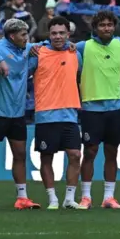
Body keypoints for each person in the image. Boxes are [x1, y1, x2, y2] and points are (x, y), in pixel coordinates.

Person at [75, 11, 120, 209]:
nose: (106, 28)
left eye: (109, 25)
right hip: (91, 107)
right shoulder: (83, 47)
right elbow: (61, 46)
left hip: (115, 107)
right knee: (89, 152)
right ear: (95, 28)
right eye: (102, 25)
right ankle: (86, 197)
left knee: (111, 153)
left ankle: (109, 197)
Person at [28, 16, 83, 210]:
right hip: (46, 113)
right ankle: (52, 198)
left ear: (68, 34)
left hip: (70, 113)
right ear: (48, 35)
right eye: (53, 33)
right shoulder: (38, 52)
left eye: (61, 33)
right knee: (47, 157)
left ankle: (69, 198)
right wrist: (37, 45)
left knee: (75, 154)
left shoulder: (76, 52)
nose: (57, 37)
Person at [0, 18, 40, 209]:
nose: (28, 38)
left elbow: (47, 44)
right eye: (24, 35)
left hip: (18, 112)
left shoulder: (27, 48)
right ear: (12, 36)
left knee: (20, 154)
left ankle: (22, 197)